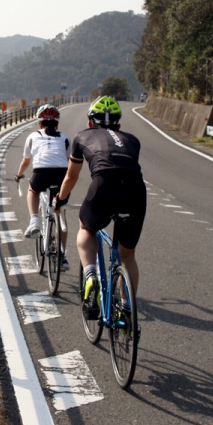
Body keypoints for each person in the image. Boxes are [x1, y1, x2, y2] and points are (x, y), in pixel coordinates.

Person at [54, 96, 146, 319]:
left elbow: (71, 176)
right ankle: (126, 308)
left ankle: (91, 275)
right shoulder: (132, 140)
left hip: (104, 185)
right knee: (128, 255)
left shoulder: (82, 136)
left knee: (86, 229)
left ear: (89, 122)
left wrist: (60, 199)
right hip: (136, 190)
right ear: (119, 124)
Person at [14, 104, 70, 271]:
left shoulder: (33, 136)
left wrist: (18, 174)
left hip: (41, 173)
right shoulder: (65, 138)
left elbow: (26, 161)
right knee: (60, 215)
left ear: (39, 123)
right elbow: (70, 160)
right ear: (57, 123)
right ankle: (62, 255)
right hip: (61, 175)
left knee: (33, 190)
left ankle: (34, 221)